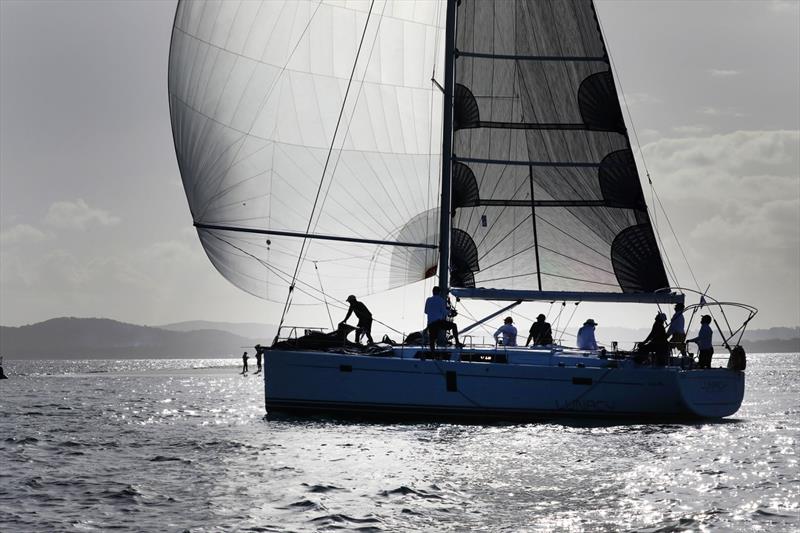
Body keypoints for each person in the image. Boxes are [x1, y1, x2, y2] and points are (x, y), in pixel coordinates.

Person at [425, 286, 463, 352]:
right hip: (438, 322)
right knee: (454, 326)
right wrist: (451, 312)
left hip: (430, 323)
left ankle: (432, 354)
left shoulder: (428, 300)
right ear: (439, 292)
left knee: (432, 339)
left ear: (433, 292)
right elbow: (444, 312)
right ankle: (457, 342)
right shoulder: (441, 300)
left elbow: (426, 311)